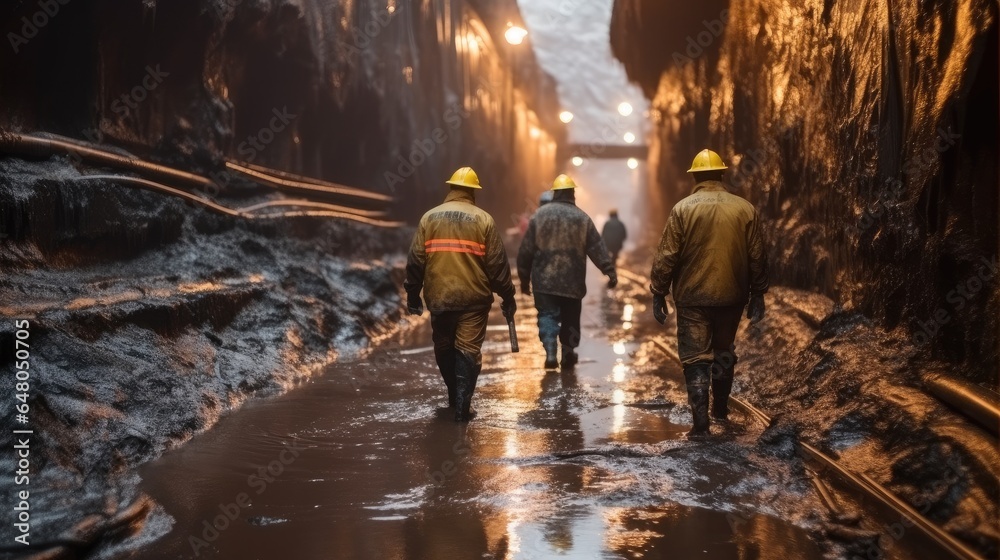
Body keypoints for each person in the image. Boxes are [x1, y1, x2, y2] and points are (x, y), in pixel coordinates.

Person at [649, 149, 768, 439]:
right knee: (724, 351)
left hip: (692, 298)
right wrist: (758, 293)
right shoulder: (745, 209)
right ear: (722, 174)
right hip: (732, 297)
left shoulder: (682, 209)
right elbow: (758, 256)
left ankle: (701, 424)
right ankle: (721, 411)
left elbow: (667, 256)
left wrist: (658, 291)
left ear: (695, 177)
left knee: (695, 357)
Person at [404, 166, 517, 422]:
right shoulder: (484, 220)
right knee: (467, 350)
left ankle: (454, 395)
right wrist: (507, 296)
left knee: (444, 348)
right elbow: (498, 266)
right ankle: (463, 405)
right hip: (474, 301)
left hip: (440, 298)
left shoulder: (428, 218)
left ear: (451, 189)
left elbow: (415, 261)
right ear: (473, 192)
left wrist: (413, 294)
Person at [517, 174, 618, 369]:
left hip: (543, 282)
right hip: (572, 282)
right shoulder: (582, 218)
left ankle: (550, 351)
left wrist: (523, 279)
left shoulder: (539, 216)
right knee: (571, 319)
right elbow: (597, 247)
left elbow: (526, 251)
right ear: (572, 193)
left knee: (547, 315)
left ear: (555, 193)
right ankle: (568, 354)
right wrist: (609, 270)